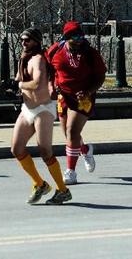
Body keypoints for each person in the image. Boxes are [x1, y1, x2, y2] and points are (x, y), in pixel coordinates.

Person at [10, 28, 71, 205]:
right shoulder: (24, 59)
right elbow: (19, 81)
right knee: (16, 148)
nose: (23, 43)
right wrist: (11, 87)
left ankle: (63, 189)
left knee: (44, 150)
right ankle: (40, 184)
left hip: (43, 109)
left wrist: (19, 84)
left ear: (36, 41)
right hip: (28, 109)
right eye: (22, 39)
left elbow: (36, 83)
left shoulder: (38, 60)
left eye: (27, 40)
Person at [46, 21, 106, 185]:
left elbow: (100, 77)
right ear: (66, 38)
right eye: (75, 37)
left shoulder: (90, 53)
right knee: (68, 133)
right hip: (63, 96)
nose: (79, 40)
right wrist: (51, 86)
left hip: (83, 98)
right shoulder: (55, 50)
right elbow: (49, 69)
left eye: (81, 36)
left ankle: (70, 172)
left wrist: (88, 91)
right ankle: (86, 150)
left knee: (72, 131)